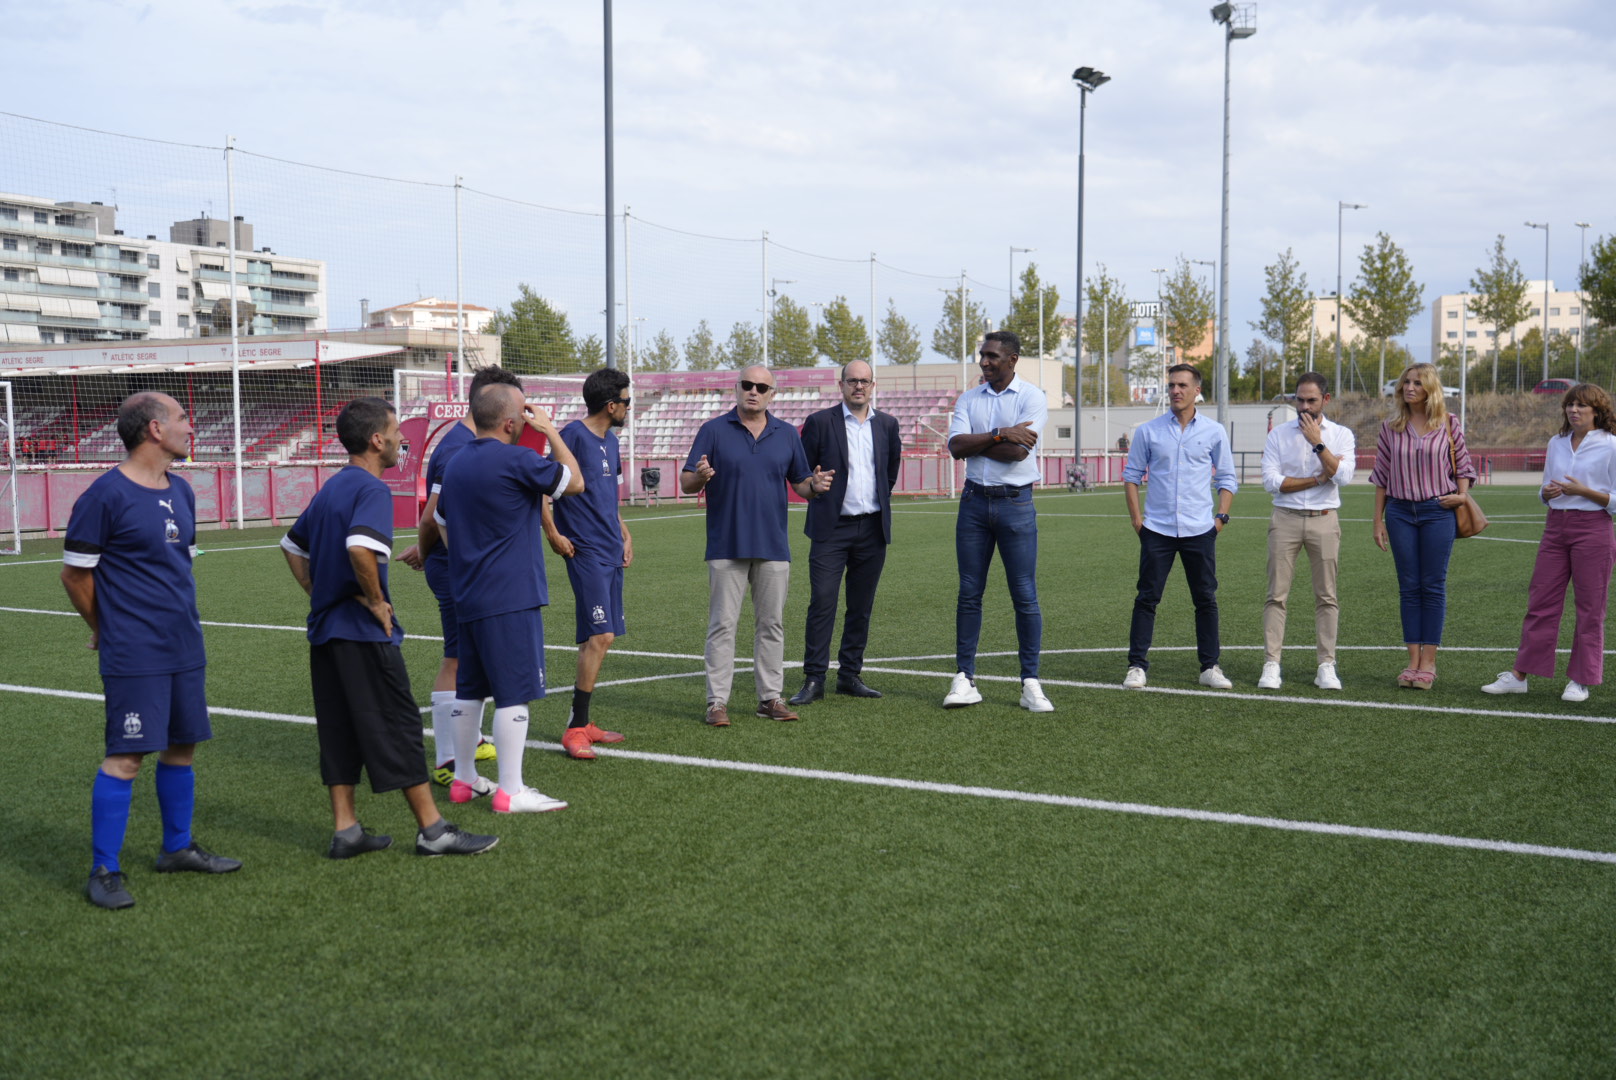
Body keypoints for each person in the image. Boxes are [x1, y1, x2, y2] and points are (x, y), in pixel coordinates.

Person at [281, 398, 498, 859]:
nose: (402, 440)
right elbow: (360, 549)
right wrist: (377, 601)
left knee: (339, 731)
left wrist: (319, 594)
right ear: (376, 440)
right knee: (399, 726)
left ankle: (346, 830)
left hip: (326, 633)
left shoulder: (332, 486)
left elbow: (291, 546)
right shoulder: (372, 489)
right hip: (362, 634)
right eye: (396, 432)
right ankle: (433, 831)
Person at [62, 392, 241, 910]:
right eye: (182, 418)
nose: (191, 426)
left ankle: (176, 848)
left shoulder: (181, 490)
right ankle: (104, 869)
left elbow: (180, 564)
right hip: (135, 650)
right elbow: (75, 575)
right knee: (127, 756)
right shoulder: (104, 495)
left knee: (182, 746)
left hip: (184, 641)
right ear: (155, 430)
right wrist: (105, 626)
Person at [436, 383, 584, 811]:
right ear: (508, 422)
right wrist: (551, 431)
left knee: (470, 691)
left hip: (469, 593)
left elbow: (440, 520)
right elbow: (575, 481)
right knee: (512, 694)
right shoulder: (518, 458)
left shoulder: (456, 461)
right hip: (510, 595)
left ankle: (464, 780)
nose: (528, 418)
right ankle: (511, 790)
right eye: (524, 412)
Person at [682, 365, 833, 726]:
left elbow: (801, 483)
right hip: (726, 544)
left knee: (772, 625)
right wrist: (699, 477)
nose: (754, 391)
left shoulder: (786, 434)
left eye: (762, 387)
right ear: (737, 388)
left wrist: (815, 487)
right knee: (722, 625)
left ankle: (770, 698)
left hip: (773, 545)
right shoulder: (713, 430)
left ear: (772, 394)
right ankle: (716, 703)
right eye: (748, 385)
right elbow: (688, 482)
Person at [398, 366, 520, 785]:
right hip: (455, 568)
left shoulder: (464, 443)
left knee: (471, 656)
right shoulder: (457, 449)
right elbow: (432, 518)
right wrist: (427, 550)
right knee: (457, 656)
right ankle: (447, 759)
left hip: (456, 563)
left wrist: (425, 548)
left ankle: (469, 740)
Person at [1482, 383, 1616, 702]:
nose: (1573, 410)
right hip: (1555, 526)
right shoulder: (1556, 442)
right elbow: (1544, 488)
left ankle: (1580, 680)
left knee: (1590, 607)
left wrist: (1584, 492)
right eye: (1570, 404)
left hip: (1594, 529)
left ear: (1597, 411)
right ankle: (1520, 675)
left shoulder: (1611, 445)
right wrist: (1546, 493)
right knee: (1541, 601)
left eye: (1581, 405)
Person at [942, 330, 1053, 712]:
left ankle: (1030, 682)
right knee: (969, 593)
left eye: (992, 356)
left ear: (1012, 359)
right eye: (982, 355)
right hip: (973, 503)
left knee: (1024, 594)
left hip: (1015, 504)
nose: (984, 362)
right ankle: (964, 678)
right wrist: (999, 434)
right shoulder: (969, 398)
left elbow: (1018, 453)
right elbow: (955, 446)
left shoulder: (1032, 397)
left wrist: (982, 442)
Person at [788, 360, 904, 706]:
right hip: (831, 528)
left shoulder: (887, 424)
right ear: (841, 385)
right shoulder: (820, 422)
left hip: (872, 528)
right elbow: (801, 471)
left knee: (861, 606)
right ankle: (814, 678)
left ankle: (850, 675)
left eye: (864, 381)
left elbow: (890, 472)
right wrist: (813, 483)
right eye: (852, 381)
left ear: (873, 385)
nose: (858, 386)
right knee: (823, 601)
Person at [1121, 363, 1238, 690]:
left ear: (1197, 391)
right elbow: (1131, 477)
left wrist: (1220, 519)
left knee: (1205, 599)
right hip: (1156, 530)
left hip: (1200, 530)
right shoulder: (1149, 431)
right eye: (1172, 385)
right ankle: (1136, 666)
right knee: (1147, 598)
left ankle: (1210, 667)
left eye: (1182, 385)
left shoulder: (1214, 431)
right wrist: (1138, 522)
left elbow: (1227, 478)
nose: (1175, 390)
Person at [542, 368, 634, 759]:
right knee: (600, 636)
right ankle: (575, 728)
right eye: (627, 401)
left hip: (610, 547)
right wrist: (552, 532)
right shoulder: (573, 437)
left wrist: (625, 533)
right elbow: (542, 488)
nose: (629, 407)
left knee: (599, 636)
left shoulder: (610, 440)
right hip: (585, 550)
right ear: (611, 405)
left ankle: (581, 722)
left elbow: (605, 497)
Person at [1369, 363, 1476, 689]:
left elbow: (1464, 466)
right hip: (1399, 513)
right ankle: (1412, 661)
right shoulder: (1391, 427)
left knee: (1432, 585)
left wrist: (1461, 496)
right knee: (1408, 586)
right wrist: (1378, 520)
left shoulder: (1448, 423)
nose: (1409, 388)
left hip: (1437, 512)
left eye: (1417, 383)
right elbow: (1381, 476)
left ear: (1430, 388)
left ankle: (1429, 662)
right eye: (1406, 382)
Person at [1257, 373, 1356, 691]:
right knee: (1276, 595)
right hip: (1284, 519)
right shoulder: (1278, 435)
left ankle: (1326, 665)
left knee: (1327, 596)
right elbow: (1272, 482)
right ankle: (1272, 663)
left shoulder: (1341, 435)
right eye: (1299, 399)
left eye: (1311, 400)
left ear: (1325, 400)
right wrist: (1317, 479)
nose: (1304, 406)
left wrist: (1318, 443)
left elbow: (1343, 476)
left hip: (1324, 519)